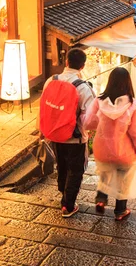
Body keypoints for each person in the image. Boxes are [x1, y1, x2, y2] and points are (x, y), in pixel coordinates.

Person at [84, 67, 136, 221]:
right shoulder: (133, 106)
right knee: (124, 180)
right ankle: (120, 211)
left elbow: (88, 122)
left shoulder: (99, 101)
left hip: (103, 150)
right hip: (124, 152)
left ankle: (101, 198)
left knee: (105, 173)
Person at [42, 48, 96, 218]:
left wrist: (42, 129)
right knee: (76, 170)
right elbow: (90, 118)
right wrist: (90, 130)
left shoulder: (51, 80)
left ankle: (63, 195)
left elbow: (44, 106)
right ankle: (68, 205)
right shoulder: (83, 88)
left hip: (54, 134)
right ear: (82, 66)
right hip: (74, 138)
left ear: (66, 62)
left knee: (62, 166)